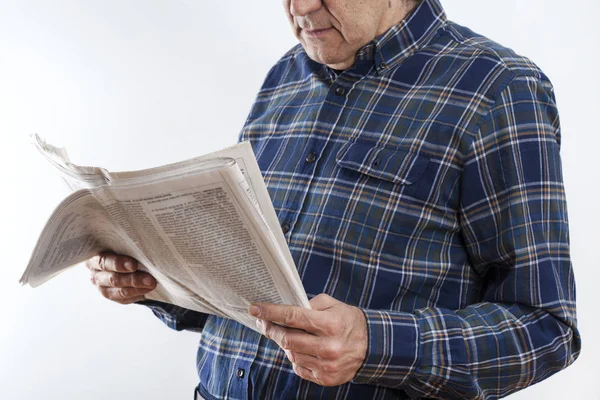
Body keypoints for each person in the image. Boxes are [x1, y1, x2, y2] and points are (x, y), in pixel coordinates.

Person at [85, 0, 581, 398]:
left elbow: (546, 329)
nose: (300, 7)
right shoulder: (287, 76)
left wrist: (375, 344)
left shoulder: (499, 90)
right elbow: (259, 294)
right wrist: (158, 283)